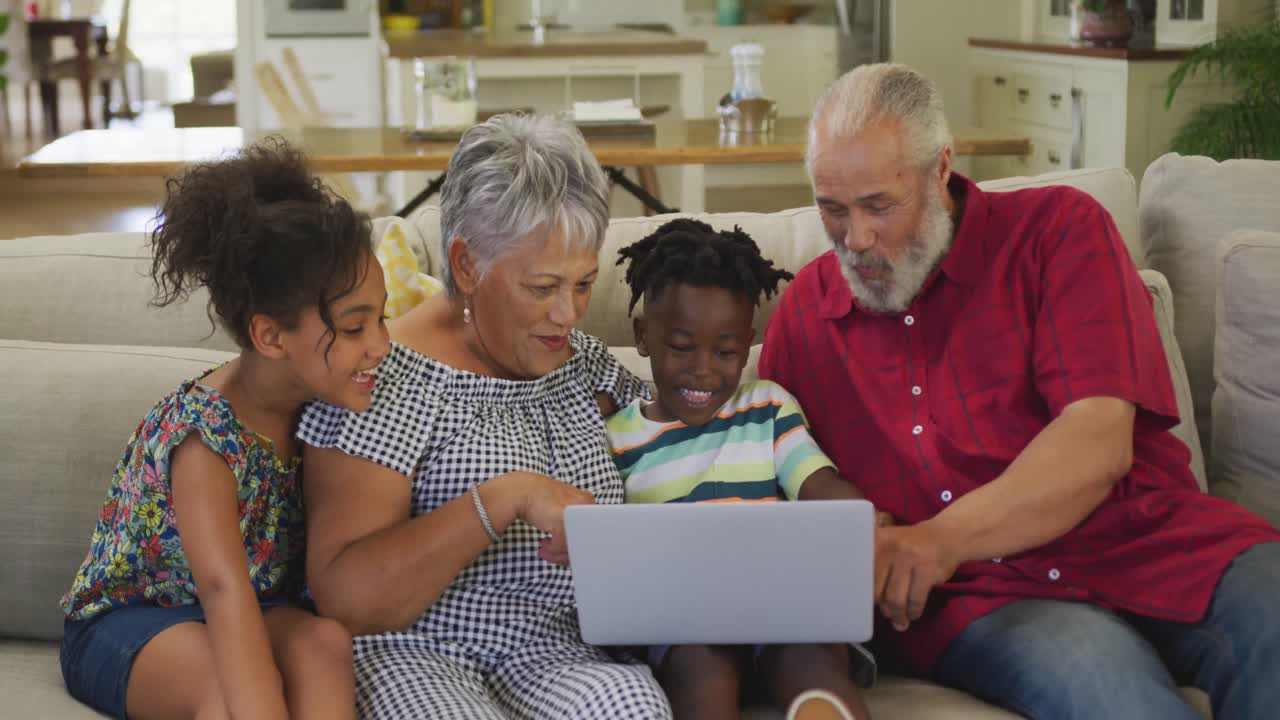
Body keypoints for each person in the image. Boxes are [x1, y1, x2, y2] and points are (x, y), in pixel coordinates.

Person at [760, 62, 1280, 719]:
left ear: (939, 169)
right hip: (980, 598)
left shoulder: (1057, 232)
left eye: (879, 206)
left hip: (1147, 541)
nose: (855, 238)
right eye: (832, 210)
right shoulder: (806, 317)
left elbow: (1096, 440)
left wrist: (936, 538)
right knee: (1114, 695)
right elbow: (772, 479)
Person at [297, 114, 672, 720]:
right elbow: (345, 595)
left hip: (560, 655)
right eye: (542, 286)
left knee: (637, 706)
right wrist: (504, 497)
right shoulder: (380, 381)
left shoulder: (586, 367)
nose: (567, 314)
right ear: (467, 266)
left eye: (583, 284)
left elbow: (679, 445)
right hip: (414, 652)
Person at [59, 139, 384, 720]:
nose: (381, 347)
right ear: (270, 337)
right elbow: (224, 596)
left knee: (324, 643)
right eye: (356, 327)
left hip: (258, 605)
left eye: (381, 318)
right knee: (223, 688)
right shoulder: (203, 440)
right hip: (135, 617)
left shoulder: (327, 404)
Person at [608, 218, 882, 720]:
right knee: (700, 669)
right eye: (682, 347)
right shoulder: (618, 439)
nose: (705, 370)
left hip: (781, 608)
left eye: (727, 352)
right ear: (643, 336)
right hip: (685, 626)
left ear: (748, 343)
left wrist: (858, 517)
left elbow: (817, 484)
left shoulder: (769, 408)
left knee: (810, 658)